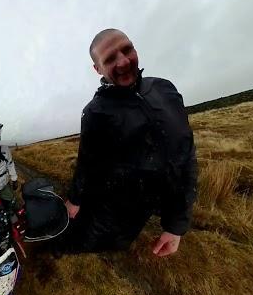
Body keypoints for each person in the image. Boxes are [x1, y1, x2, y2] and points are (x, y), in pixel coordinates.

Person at [60, 28, 198, 257]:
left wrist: (176, 225)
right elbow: (87, 162)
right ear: (98, 69)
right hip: (113, 207)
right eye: (110, 58)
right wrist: (75, 200)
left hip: (152, 204)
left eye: (127, 49)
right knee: (87, 243)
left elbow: (185, 153)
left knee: (118, 244)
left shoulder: (166, 89)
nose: (123, 61)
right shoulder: (96, 112)